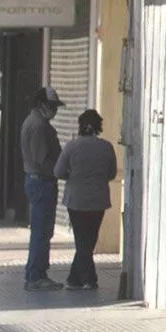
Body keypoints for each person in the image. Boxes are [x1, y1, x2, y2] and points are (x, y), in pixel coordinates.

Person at [55, 109, 118, 291]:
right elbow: (112, 173)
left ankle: (89, 278)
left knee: (82, 240)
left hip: (76, 200)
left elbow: (58, 172)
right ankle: (75, 279)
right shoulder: (106, 147)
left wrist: (73, 176)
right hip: (98, 200)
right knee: (89, 239)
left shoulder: (71, 147)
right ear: (99, 127)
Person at [20, 87, 65, 291]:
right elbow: (42, 159)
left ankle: (35, 272)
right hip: (41, 182)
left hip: (38, 181)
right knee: (41, 231)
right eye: (52, 106)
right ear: (41, 104)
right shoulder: (38, 125)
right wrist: (61, 171)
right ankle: (37, 275)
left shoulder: (37, 122)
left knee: (41, 230)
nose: (54, 110)